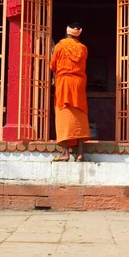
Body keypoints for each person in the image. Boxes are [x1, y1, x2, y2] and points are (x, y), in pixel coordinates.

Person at [50, 22, 90, 162]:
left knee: (64, 114)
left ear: (66, 33)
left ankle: (65, 153)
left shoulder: (60, 46)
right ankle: (80, 153)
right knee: (79, 114)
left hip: (64, 83)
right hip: (78, 84)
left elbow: (53, 65)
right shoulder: (83, 49)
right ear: (78, 36)